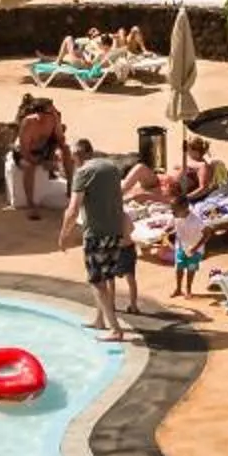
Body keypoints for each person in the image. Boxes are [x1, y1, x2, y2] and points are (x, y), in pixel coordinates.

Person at [54, 138, 138, 343]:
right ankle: (100, 319)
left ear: (77, 157)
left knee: (96, 280)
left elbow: (73, 209)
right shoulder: (110, 168)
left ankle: (115, 328)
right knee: (107, 276)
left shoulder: (82, 173)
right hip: (115, 232)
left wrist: (63, 235)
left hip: (97, 234)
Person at [10, 97, 67, 219]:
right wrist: (33, 160)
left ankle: (71, 188)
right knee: (29, 167)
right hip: (25, 152)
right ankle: (31, 203)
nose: (53, 114)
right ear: (40, 113)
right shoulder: (28, 123)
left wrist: (51, 157)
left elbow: (61, 140)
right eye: (50, 112)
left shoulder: (52, 120)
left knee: (67, 151)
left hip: (43, 150)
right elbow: (24, 149)